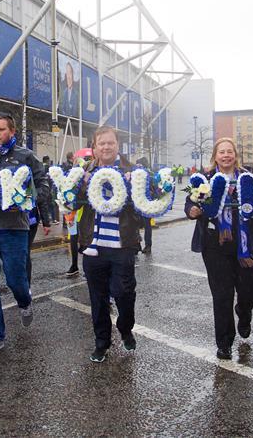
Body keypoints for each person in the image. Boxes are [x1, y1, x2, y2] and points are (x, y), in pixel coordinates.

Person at [0, 112, 51, 357]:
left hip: (14, 229)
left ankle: (25, 302)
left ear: (12, 132)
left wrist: (30, 199)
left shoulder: (26, 157)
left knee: (16, 280)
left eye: (1, 129)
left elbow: (44, 183)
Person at [186, 137, 253, 360]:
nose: (225, 155)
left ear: (235, 155)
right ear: (215, 156)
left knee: (249, 289)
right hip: (215, 244)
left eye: (229, 151)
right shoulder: (205, 180)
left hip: (246, 243)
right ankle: (224, 342)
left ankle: (244, 312)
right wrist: (192, 209)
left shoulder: (249, 179)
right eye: (221, 152)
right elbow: (190, 201)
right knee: (221, 294)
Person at [77, 126, 145, 363]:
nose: (105, 147)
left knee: (124, 292)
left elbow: (146, 203)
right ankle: (101, 343)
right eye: (101, 143)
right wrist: (80, 185)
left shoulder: (133, 171)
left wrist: (134, 185)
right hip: (93, 245)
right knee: (98, 297)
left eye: (110, 143)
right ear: (94, 147)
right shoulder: (83, 171)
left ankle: (125, 328)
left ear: (117, 145)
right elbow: (73, 203)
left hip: (122, 244)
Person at [136, 156, 154, 255]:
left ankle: (146, 245)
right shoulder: (147, 173)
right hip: (139, 203)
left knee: (146, 226)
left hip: (146, 203)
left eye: (138, 164)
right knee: (137, 225)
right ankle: (139, 244)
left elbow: (153, 188)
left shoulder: (149, 174)